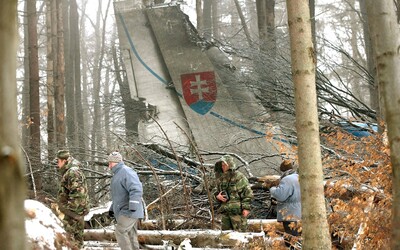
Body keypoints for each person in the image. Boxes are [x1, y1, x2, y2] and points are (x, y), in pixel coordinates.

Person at [108, 151, 144, 250]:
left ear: (116, 162)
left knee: (120, 231)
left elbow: (136, 188)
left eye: (111, 162)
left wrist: (133, 206)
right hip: (124, 210)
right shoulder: (117, 174)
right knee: (131, 235)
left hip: (129, 210)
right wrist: (112, 209)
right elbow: (118, 196)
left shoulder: (126, 171)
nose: (109, 164)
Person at [56, 149, 89, 249]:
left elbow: (78, 194)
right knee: (76, 241)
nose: (57, 164)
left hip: (73, 213)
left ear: (64, 161)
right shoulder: (70, 172)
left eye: (58, 161)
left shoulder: (73, 172)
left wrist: (68, 211)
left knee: (71, 240)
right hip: (75, 212)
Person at [265, 159, 301, 247]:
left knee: (290, 238)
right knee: (297, 236)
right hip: (299, 211)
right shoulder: (298, 177)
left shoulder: (287, 179)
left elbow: (280, 195)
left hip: (289, 213)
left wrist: (272, 188)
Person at [213, 155, 253, 232]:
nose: (223, 167)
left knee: (241, 236)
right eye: (222, 165)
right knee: (226, 237)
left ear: (230, 165)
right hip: (225, 213)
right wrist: (217, 196)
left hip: (238, 213)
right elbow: (211, 191)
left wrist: (246, 208)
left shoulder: (239, 177)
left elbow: (247, 193)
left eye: (225, 165)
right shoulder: (219, 178)